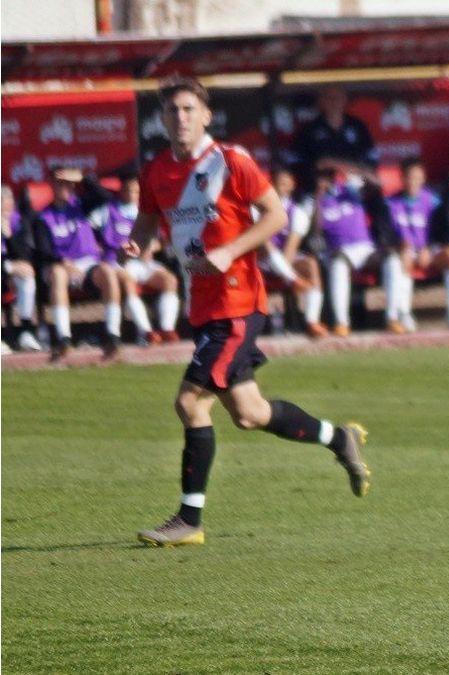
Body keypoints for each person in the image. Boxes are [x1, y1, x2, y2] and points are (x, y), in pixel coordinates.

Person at [125, 76, 371, 547]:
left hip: (237, 301)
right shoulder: (156, 169)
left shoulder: (230, 160)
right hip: (203, 304)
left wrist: (229, 251)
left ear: (206, 115)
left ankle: (189, 520)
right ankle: (339, 438)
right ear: (163, 119)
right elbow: (148, 220)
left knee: (190, 402)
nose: (180, 117)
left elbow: (276, 216)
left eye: (189, 109)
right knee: (250, 413)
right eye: (172, 110)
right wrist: (136, 242)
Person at [32, 167, 124, 359]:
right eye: (60, 183)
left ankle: (112, 336)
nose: (65, 188)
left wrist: (83, 178)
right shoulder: (43, 217)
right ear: (52, 185)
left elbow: (106, 196)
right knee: (58, 274)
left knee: (108, 272)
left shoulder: (81, 205)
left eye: (68, 184)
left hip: (87, 264)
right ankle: (64, 339)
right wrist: (62, 262)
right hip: (61, 266)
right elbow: (42, 251)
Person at [311, 162, 408, 335]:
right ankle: (342, 322)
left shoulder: (350, 190)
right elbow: (316, 230)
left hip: (365, 248)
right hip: (338, 251)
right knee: (338, 263)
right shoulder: (314, 201)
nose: (327, 180)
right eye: (323, 176)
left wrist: (346, 168)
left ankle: (392, 318)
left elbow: (376, 183)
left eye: (330, 175)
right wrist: (319, 196)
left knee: (392, 259)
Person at [89, 170, 182, 345]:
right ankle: (146, 331)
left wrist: (151, 247)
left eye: (136, 190)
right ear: (121, 190)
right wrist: (100, 250)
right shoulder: (106, 211)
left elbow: (162, 240)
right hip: (119, 262)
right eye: (128, 189)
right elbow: (88, 234)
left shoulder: (147, 212)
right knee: (129, 282)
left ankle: (167, 329)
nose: (132, 194)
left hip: (144, 262)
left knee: (170, 280)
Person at [386, 158, 449, 330]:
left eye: (418, 177)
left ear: (423, 178)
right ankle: (404, 313)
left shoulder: (433, 201)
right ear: (402, 178)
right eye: (410, 177)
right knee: (402, 259)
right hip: (404, 251)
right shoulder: (390, 203)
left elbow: (443, 231)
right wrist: (400, 244)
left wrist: (429, 247)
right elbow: (385, 233)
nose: (413, 182)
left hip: (428, 249)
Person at [258, 165, 327, 338]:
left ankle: (312, 321)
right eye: (278, 183)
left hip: (284, 261)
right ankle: (294, 280)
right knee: (265, 244)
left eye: (286, 184)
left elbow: (290, 249)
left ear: (292, 186)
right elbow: (259, 241)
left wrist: (284, 270)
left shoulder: (298, 213)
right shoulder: (258, 208)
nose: (282, 188)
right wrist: (290, 276)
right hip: (260, 260)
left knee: (311, 264)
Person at [289, 84, 379, 197]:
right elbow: (296, 163)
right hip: (318, 191)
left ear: (345, 100)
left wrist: (332, 163)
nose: (333, 102)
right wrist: (314, 175)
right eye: (329, 98)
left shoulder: (357, 127)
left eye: (337, 98)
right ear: (321, 101)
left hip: (356, 189)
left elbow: (371, 160)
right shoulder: (309, 130)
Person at [2, 184, 43, 352]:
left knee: (26, 273)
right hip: (5, 268)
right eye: (3, 203)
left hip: (10, 270)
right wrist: (6, 269)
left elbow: (23, 255)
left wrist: (8, 236)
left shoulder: (18, 222)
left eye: (9, 202)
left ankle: (26, 332)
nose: (7, 207)